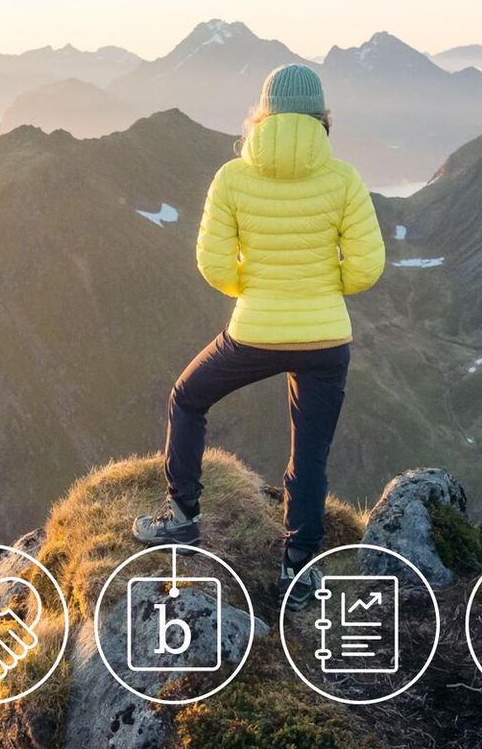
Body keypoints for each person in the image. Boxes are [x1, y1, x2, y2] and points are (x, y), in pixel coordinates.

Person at [132, 63, 385, 609]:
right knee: (309, 454)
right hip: (325, 340)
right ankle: (300, 571)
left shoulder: (233, 178)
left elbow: (213, 264)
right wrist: (318, 288)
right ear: (322, 117)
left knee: (188, 397)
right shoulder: (343, 178)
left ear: (261, 115)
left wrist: (257, 286)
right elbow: (365, 269)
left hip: (254, 332)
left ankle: (181, 518)